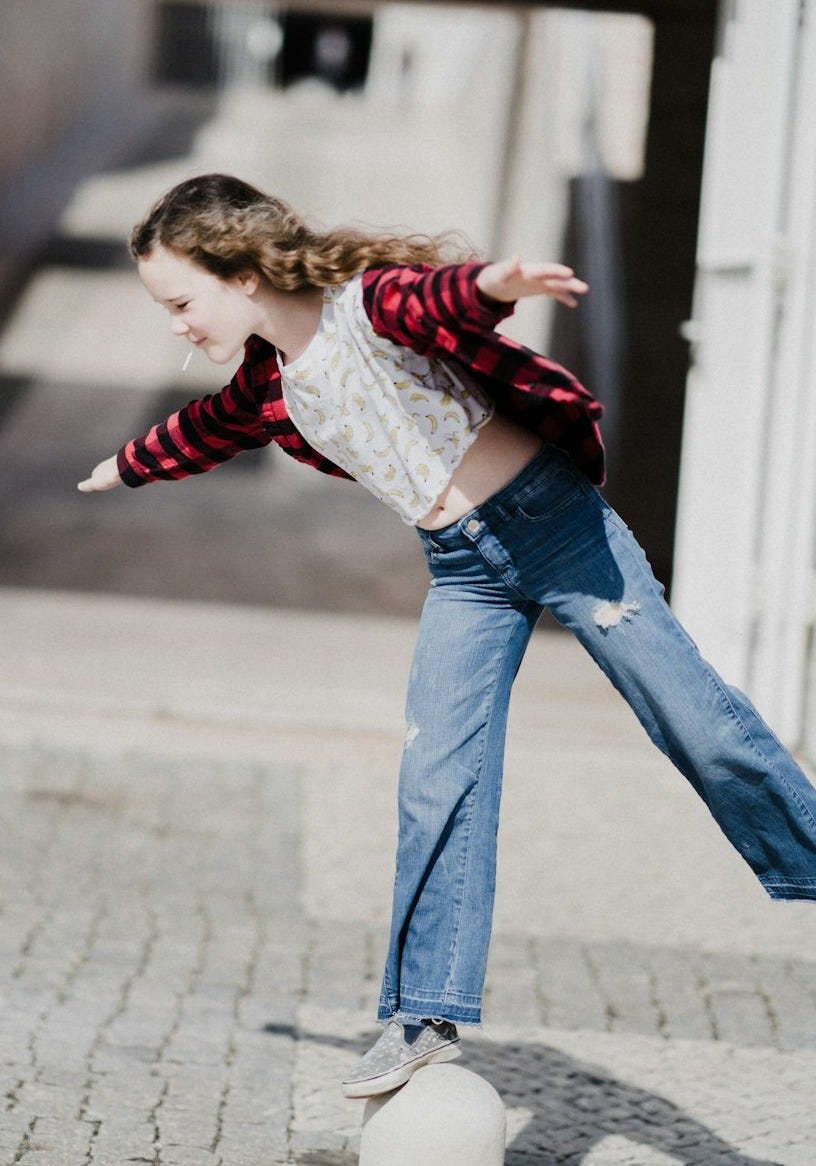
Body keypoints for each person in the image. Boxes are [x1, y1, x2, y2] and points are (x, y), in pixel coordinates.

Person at [79, 173, 816, 1099]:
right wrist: (125, 465)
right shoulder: (269, 384)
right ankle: (422, 1015)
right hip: (462, 572)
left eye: (183, 301)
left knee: (692, 719)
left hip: (558, 529)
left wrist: (500, 282)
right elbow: (205, 428)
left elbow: (439, 296)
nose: (179, 324)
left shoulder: (366, 305)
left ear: (243, 271)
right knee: (437, 776)